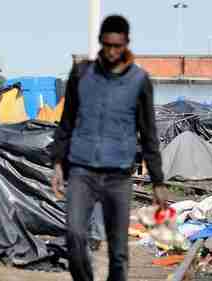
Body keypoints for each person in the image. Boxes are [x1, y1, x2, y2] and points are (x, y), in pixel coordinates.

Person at [50, 15, 167, 281]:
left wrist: (158, 181)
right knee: (75, 235)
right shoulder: (81, 73)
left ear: (126, 43)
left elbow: (149, 133)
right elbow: (66, 122)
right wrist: (58, 162)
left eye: (118, 45)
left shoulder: (139, 81)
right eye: (107, 44)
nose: (113, 51)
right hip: (82, 171)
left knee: (118, 251)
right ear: (101, 42)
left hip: (118, 176)